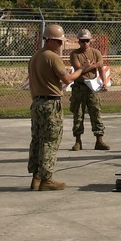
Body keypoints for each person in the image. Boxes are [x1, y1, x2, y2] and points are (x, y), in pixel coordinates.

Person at [27, 24, 87, 191]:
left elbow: (32, 83)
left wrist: (36, 99)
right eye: (60, 42)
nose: (61, 45)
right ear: (51, 40)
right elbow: (67, 79)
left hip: (37, 102)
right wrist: (80, 70)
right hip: (51, 104)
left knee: (37, 139)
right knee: (50, 141)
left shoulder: (35, 57)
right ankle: (47, 179)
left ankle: (36, 177)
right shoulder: (52, 58)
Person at [68, 29, 110, 151]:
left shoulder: (96, 52)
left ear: (90, 41)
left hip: (93, 87)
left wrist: (104, 82)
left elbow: (101, 67)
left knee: (96, 113)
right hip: (79, 87)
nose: (85, 43)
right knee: (78, 114)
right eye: (82, 41)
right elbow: (78, 69)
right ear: (79, 41)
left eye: (87, 41)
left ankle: (99, 140)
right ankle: (78, 141)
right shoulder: (75, 54)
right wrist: (92, 66)